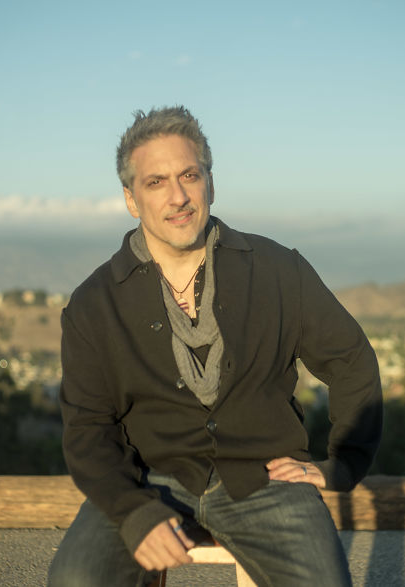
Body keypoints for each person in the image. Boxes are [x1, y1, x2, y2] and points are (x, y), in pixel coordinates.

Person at [48, 106, 383, 587]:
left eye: (189, 175)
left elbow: (351, 360)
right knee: (76, 581)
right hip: (144, 479)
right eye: (156, 182)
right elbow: (87, 429)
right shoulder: (93, 304)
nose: (178, 196)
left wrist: (342, 463)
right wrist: (132, 512)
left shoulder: (277, 270)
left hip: (266, 479)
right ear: (130, 198)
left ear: (210, 181)